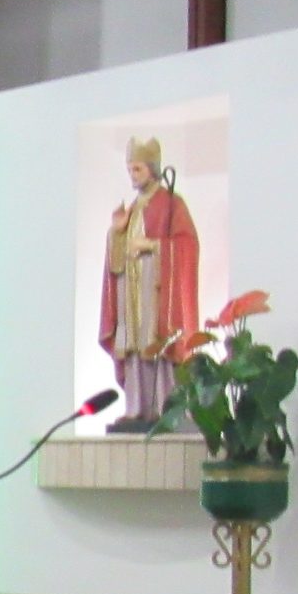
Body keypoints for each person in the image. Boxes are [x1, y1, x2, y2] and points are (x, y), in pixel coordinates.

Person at [99, 135, 201, 432]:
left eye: (138, 169)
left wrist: (152, 246)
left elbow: (187, 245)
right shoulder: (131, 209)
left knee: (156, 343)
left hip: (155, 289)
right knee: (132, 345)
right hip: (130, 291)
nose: (133, 175)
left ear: (153, 169)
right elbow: (118, 259)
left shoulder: (171, 203)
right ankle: (136, 407)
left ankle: (163, 405)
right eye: (130, 169)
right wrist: (116, 234)